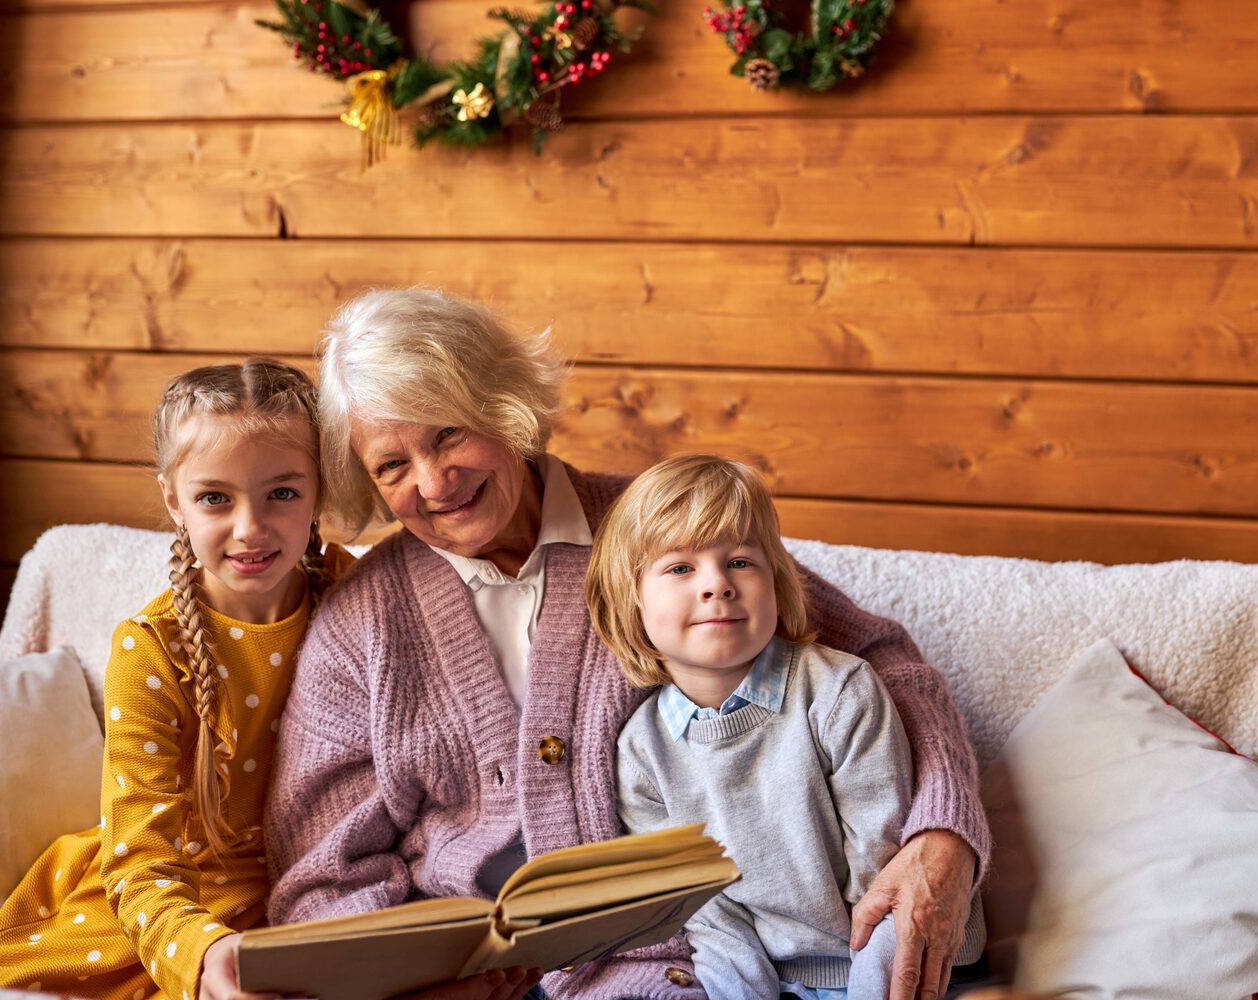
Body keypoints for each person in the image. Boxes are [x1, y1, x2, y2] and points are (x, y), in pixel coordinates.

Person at [266, 289, 989, 1000]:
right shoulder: (359, 628)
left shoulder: (663, 530)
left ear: (502, 402)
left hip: (689, 960)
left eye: (448, 433)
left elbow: (882, 660)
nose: (433, 481)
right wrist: (406, 984)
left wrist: (943, 833)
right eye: (391, 466)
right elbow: (322, 875)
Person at [0, 360, 349, 1000]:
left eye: (281, 492)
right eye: (214, 497)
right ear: (174, 499)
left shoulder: (354, 593)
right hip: (171, 905)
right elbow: (142, 856)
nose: (250, 527)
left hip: (315, 890)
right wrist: (199, 952)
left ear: (320, 489)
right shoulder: (151, 649)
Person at [591, 454, 984, 999]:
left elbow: (886, 879)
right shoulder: (640, 752)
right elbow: (708, 916)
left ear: (777, 580)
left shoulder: (840, 692)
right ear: (632, 602)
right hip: (777, 980)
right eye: (680, 568)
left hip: (903, 968)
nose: (717, 585)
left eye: (741, 562)